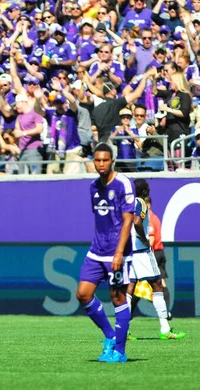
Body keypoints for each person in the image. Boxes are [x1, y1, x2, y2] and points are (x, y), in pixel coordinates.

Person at [75, 143, 134, 363]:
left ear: (112, 161)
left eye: (105, 160)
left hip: (117, 253)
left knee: (117, 298)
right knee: (83, 294)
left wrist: (119, 252)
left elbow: (128, 220)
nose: (101, 164)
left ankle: (120, 350)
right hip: (96, 251)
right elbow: (100, 220)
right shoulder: (93, 186)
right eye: (97, 160)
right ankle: (110, 336)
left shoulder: (123, 184)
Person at [126, 179, 185, 340]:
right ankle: (165, 328)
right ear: (145, 191)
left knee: (129, 289)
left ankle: (123, 330)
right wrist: (144, 238)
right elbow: (138, 222)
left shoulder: (126, 202)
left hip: (129, 251)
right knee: (157, 285)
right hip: (142, 252)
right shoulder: (141, 203)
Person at [145, 195, 171, 318]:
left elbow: (151, 237)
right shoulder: (155, 217)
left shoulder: (149, 218)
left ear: (148, 205)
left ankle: (128, 313)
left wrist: (145, 251)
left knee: (140, 284)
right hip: (159, 252)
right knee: (161, 283)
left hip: (154, 253)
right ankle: (166, 312)